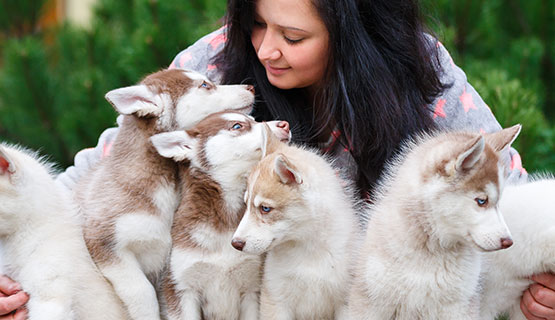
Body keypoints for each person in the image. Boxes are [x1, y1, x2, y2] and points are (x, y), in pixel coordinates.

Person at [3, 0, 554, 318]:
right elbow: (98, 176)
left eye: (293, 35)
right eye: (258, 24)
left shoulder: (419, 71)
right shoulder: (215, 62)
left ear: (353, 35)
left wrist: (538, 291)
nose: (265, 50)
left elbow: (510, 193)